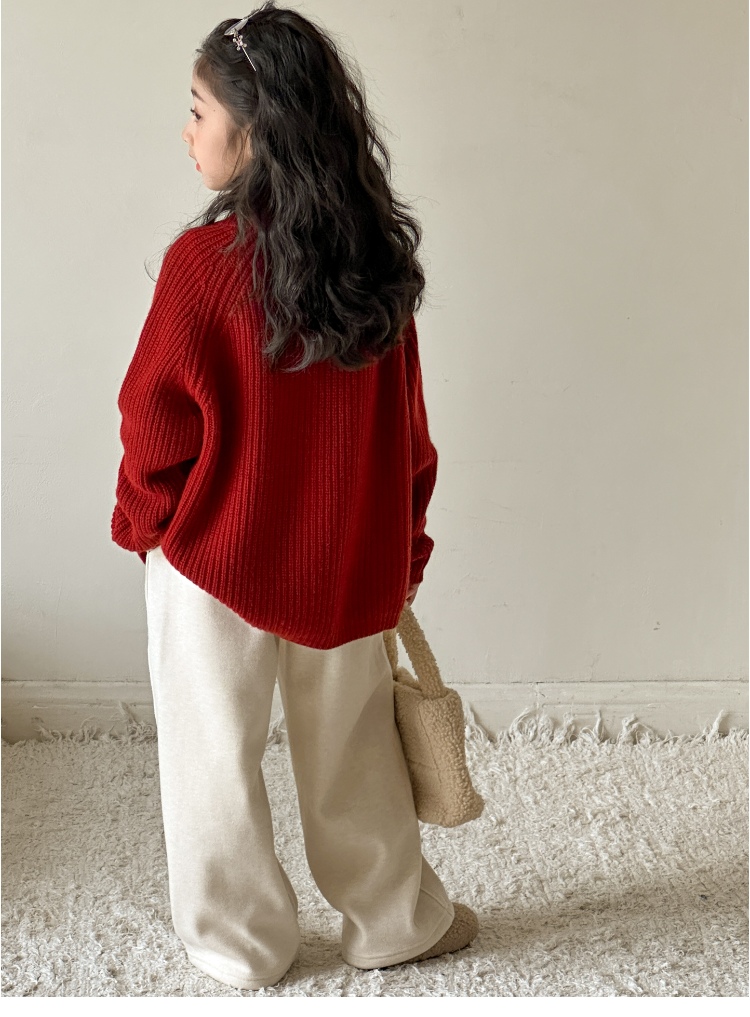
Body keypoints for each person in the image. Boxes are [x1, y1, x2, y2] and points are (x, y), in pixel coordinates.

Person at [111, 3, 478, 992]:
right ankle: (393, 922)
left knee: (211, 763)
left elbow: (152, 416)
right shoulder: (375, 269)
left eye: (199, 111)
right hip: (344, 558)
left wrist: (144, 523)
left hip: (212, 559)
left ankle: (241, 947)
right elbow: (407, 436)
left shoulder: (202, 268)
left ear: (254, 129)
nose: (186, 131)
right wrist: (401, 549)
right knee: (356, 751)